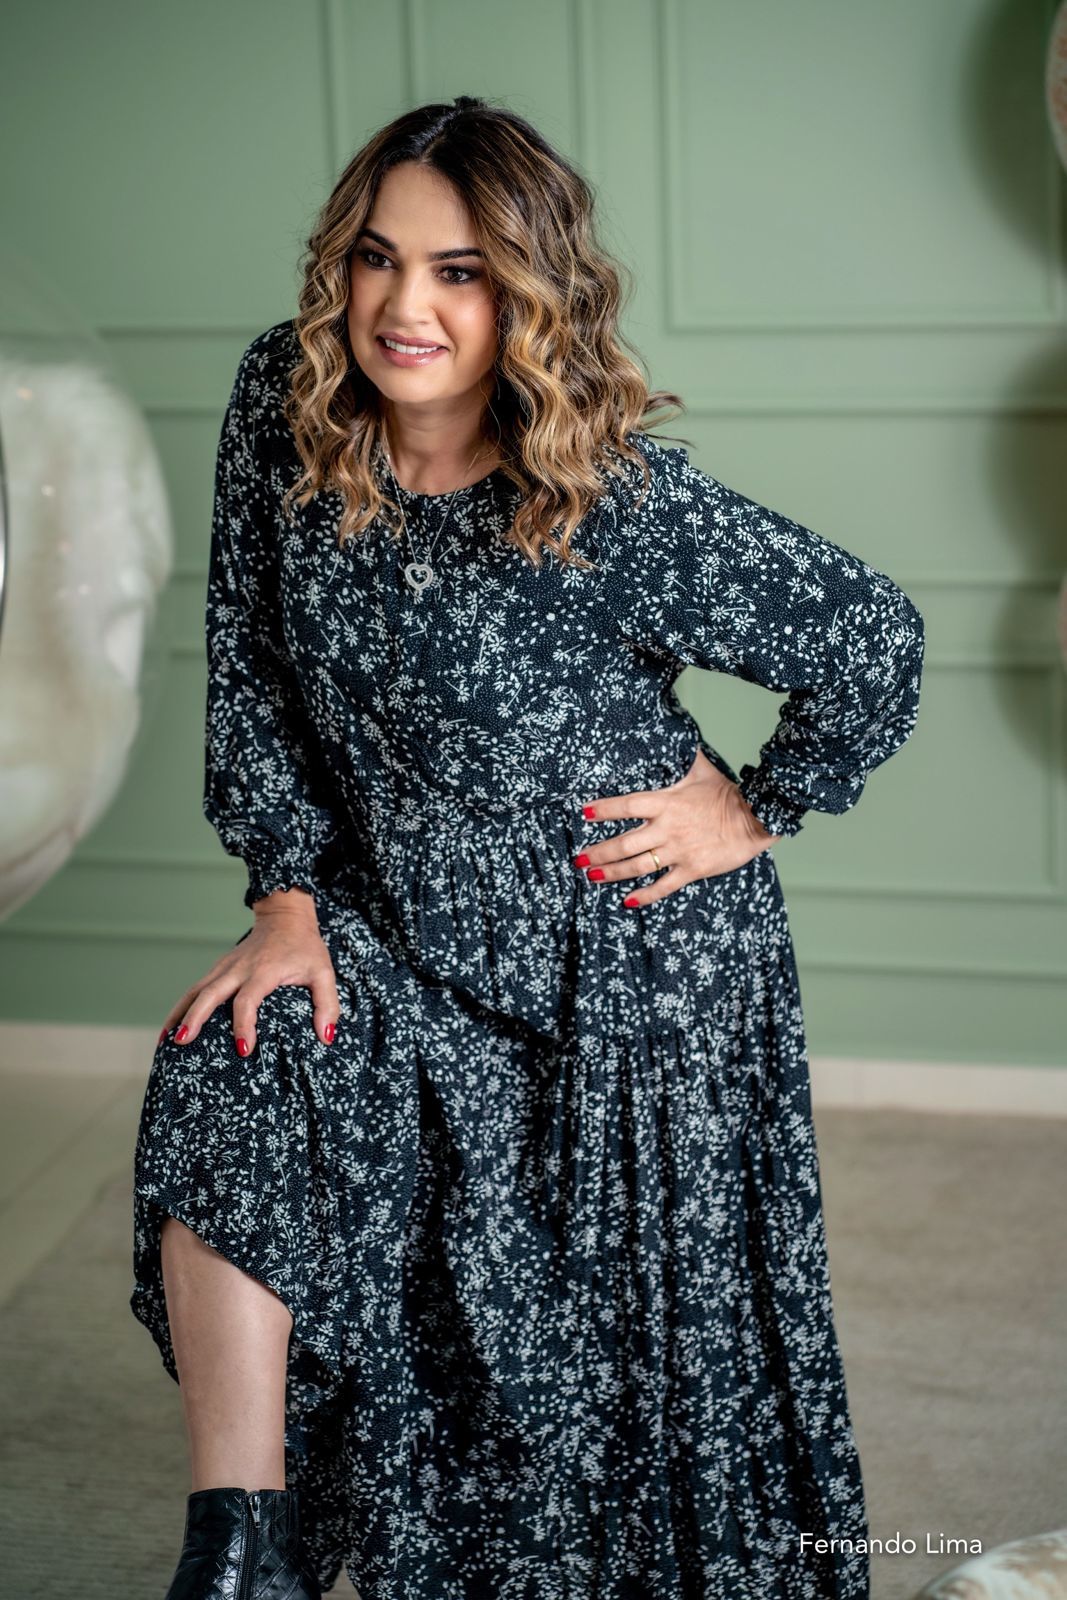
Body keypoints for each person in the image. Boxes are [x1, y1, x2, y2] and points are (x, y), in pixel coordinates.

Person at [130, 95, 924, 1600]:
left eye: (461, 272)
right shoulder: (283, 407)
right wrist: (286, 897)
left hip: (624, 979)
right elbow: (251, 670)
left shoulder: (604, 496)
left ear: (528, 294)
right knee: (232, 1061)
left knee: (595, 1495)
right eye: (377, 258)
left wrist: (755, 804)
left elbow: (873, 640)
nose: (404, 307)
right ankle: (238, 1553)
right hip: (398, 929)